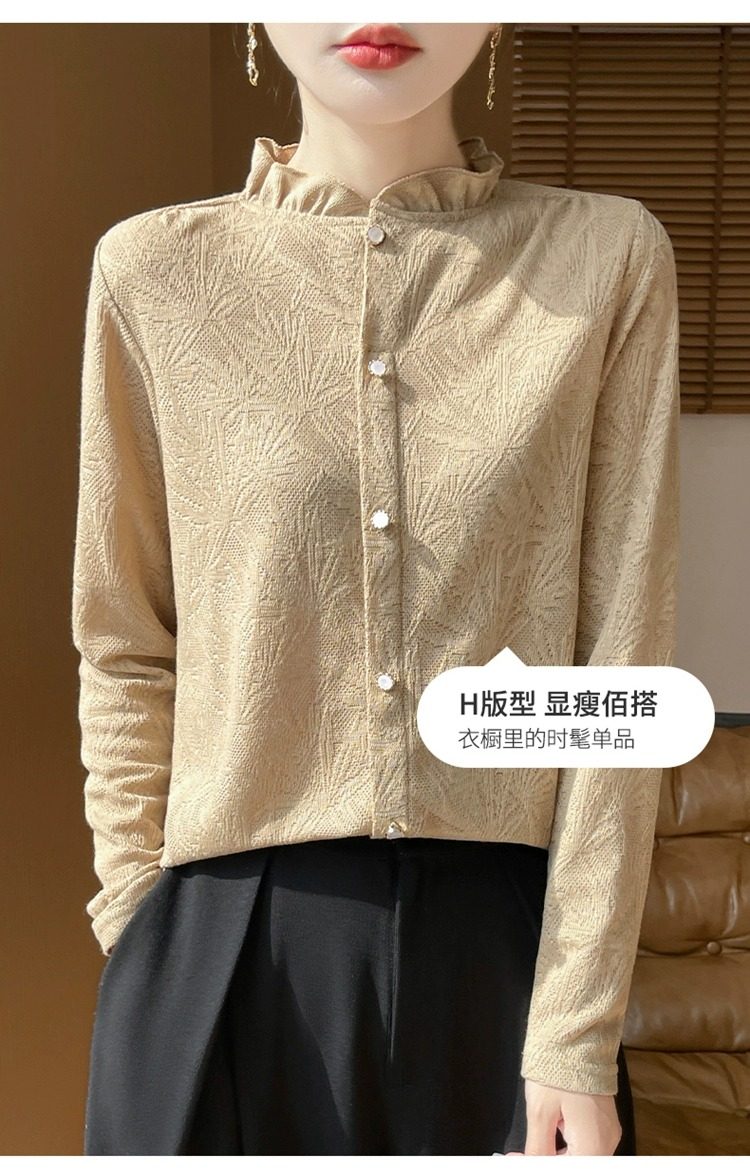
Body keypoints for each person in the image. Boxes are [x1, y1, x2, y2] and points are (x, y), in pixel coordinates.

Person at [73, 21, 681, 1157]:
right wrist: (141, 924)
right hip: (219, 944)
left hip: (509, 960)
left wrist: (573, 1027)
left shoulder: (605, 258)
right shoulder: (152, 272)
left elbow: (620, 667)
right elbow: (125, 636)